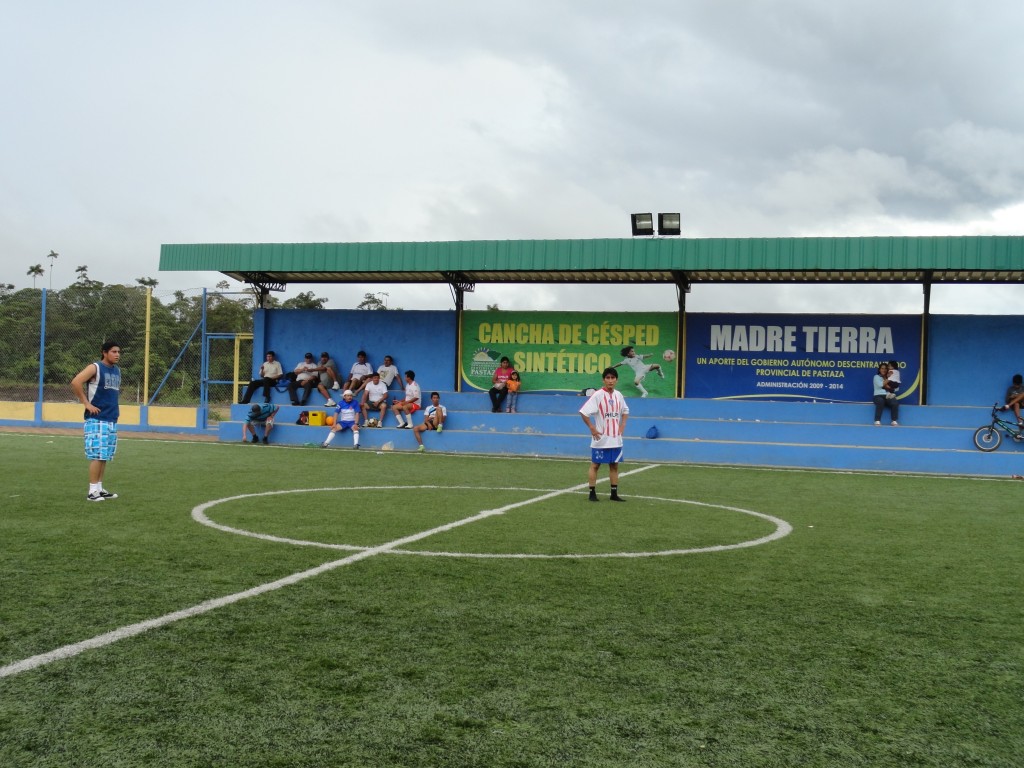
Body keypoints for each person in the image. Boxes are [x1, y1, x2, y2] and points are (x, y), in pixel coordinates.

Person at [70, 341, 122, 502]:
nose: (117, 354)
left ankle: (99, 488)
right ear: (104, 352)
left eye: (119, 352)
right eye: (113, 351)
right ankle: (92, 491)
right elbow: (76, 382)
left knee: (104, 455)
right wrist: (86, 403)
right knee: (97, 455)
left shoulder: (117, 371)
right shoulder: (95, 367)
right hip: (97, 419)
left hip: (110, 418)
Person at [579, 367, 629, 502]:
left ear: (617, 380)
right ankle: (592, 493)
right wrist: (592, 428)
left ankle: (613, 494)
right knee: (595, 465)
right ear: (603, 380)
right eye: (608, 378)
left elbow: (625, 411)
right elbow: (583, 412)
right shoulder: (598, 395)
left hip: (615, 439)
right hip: (601, 438)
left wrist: (622, 425)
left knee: (614, 465)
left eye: (613, 378)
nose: (610, 381)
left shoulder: (619, 395)